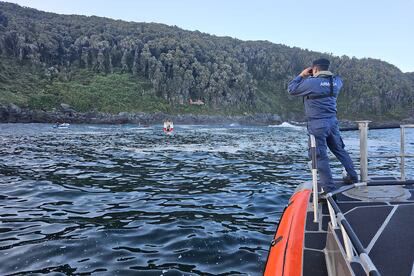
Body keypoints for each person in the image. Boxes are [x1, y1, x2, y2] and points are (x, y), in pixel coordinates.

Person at [287, 58, 358, 193]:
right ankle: (353, 177)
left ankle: (329, 191)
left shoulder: (312, 83)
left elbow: (291, 89)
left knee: (320, 157)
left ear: (314, 69)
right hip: (332, 123)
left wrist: (302, 75)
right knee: (339, 150)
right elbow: (335, 81)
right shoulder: (336, 82)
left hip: (317, 124)